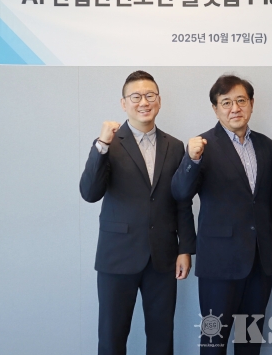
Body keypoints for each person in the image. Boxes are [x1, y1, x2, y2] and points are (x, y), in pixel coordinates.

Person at [79, 70, 196, 355]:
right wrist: (101, 145)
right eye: (136, 97)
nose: (144, 102)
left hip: (163, 257)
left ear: (159, 100)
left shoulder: (175, 146)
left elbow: (182, 200)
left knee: (161, 338)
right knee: (112, 338)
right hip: (117, 256)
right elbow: (90, 193)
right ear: (124, 103)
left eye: (150, 95)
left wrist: (185, 248)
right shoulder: (108, 144)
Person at [171, 74, 272, 355]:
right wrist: (192, 159)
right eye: (226, 102)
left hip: (259, 258)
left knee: (250, 340)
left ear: (251, 104)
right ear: (215, 108)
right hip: (219, 262)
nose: (235, 108)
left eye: (241, 101)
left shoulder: (266, 145)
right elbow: (180, 193)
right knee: (214, 341)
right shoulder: (202, 146)